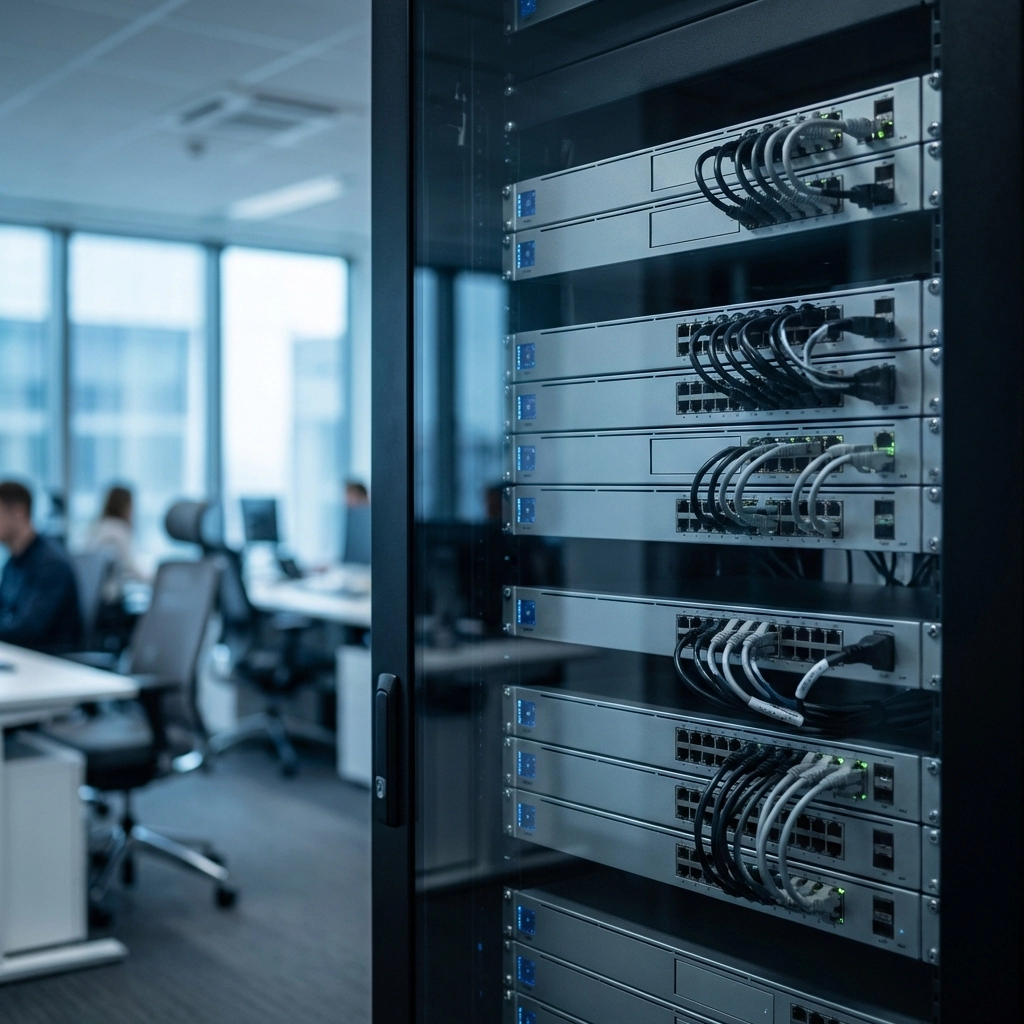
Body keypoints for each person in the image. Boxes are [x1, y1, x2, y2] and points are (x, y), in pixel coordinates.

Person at [0, 480, 83, 652]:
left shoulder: (51, 564)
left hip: (52, 664)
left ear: (19, 512)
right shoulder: (12, 564)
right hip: (23, 659)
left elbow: (29, 630)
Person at [84, 484, 150, 602]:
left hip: (91, 598)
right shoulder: (118, 530)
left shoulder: (97, 527)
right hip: (108, 601)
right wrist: (161, 579)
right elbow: (134, 569)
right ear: (125, 506)